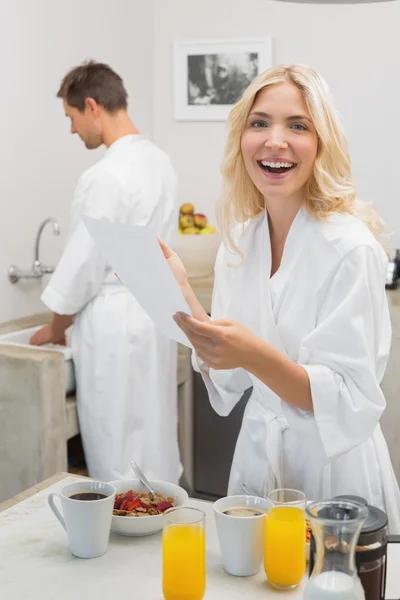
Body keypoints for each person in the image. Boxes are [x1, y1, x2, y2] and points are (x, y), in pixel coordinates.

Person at [160, 64, 400, 532]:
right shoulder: (241, 242)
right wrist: (181, 288)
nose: (275, 140)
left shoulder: (351, 250)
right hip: (257, 459)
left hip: (335, 476)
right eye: (259, 122)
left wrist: (254, 353)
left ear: (321, 144)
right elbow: (227, 381)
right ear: (241, 140)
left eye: (297, 125)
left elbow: (348, 400)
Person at [30, 60, 182, 484]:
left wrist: (55, 325)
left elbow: (83, 266)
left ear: (92, 106)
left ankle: (122, 526)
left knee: (116, 439)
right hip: (154, 313)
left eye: (72, 118)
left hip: (115, 320)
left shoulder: (105, 176)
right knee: (151, 432)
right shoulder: (160, 163)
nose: (73, 131)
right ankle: (162, 521)